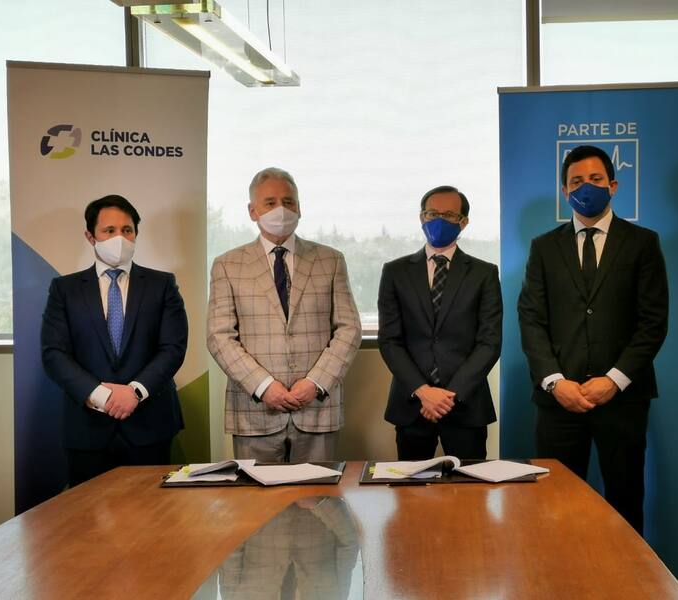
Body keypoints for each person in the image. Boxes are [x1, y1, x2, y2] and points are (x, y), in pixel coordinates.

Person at [518, 144, 668, 534]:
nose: (586, 187)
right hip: (559, 401)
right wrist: (556, 383)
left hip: (623, 400)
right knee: (554, 505)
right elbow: (531, 320)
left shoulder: (643, 243)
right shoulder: (544, 247)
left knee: (625, 501)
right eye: (577, 181)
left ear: (613, 186)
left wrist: (614, 380)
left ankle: (626, 573)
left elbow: (653, 323)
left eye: (596, 179)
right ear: (565, 191)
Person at [207, 167, 361, 462]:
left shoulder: (331, 260)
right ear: (252, 211)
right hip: (255, 411)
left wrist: (315, 383)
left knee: (318, 490)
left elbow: (349, 329)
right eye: (270, 202)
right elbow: (219, 337)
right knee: (256, 493)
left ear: (299, 208)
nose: (281, 209)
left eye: (288, 202)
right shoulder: (227, 265)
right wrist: (264, 386)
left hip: (317, 409)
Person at [41, 195, 188, 486]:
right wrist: (103, 396)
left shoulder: (162, 284)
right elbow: (54, 353)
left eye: (127, 230)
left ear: (136, 234)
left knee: (153, 511)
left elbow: (172, 348)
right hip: (87, 428)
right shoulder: (64, 289)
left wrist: (134, 392)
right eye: (109, 230)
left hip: (150, 425)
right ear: (90, 236)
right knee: (87, 512)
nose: (119, 238)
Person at [378, 185, 502, 460]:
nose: (438, 220)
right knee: (412, 486)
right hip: (413, 405)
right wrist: (424, 392)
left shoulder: (484, 273)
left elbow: (489, 343)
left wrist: (449, 396)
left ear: (463, 222)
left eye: (448, 215)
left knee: (470, 486)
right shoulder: (395, 271)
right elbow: (389, 341)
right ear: (422, 217)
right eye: (432, 214)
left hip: (465, 406)